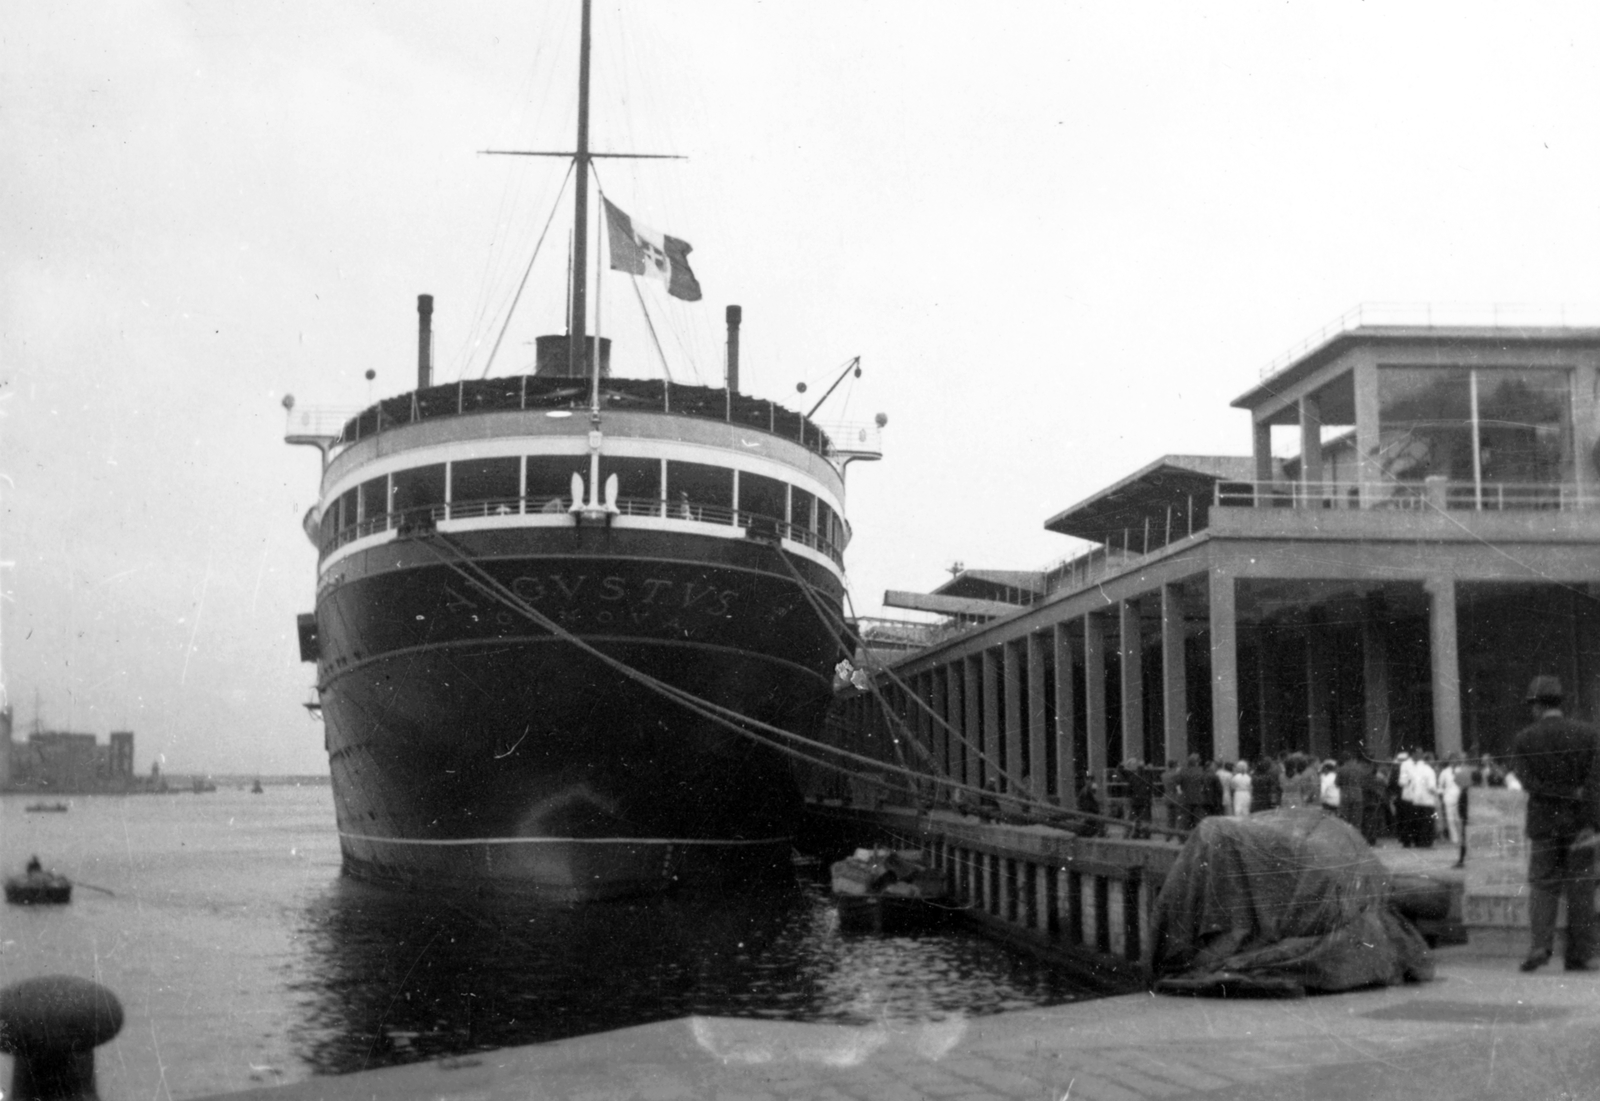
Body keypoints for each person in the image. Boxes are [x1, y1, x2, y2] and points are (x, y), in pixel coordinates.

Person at [1508, 675, 1600, 972]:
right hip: (1580, 824)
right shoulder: (1589, 734)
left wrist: (1555, 792)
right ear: (1561, 702)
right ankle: (1581, 953)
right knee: (1581, 887)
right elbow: (1596, 784)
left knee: (1543, 886)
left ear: (1535, 706)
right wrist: (1593, 824)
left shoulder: (1524, 739)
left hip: (1544, 823)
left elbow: (1527, 782)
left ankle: (1540, 947)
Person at [1336, 755, 1367, 834]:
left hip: (1345, 796)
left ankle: (1345, 839)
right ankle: (1356, 839)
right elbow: (1363, 783)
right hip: (1357, 796)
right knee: (1357, 820)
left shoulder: (1341, 769)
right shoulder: (1359, 769)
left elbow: (1337, 783)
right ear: (1352, 759)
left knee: (1345, 820)